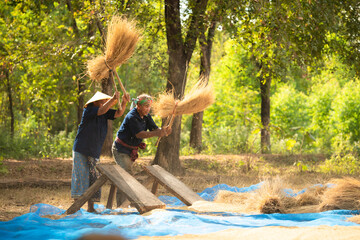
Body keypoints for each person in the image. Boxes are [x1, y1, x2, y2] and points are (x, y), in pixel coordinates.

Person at [71, 90, 129, 212]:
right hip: (82, 148)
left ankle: (91, 208)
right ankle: (76, 208)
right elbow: (102, 110)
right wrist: (113, 99)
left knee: (94, 179)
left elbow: (119, 113)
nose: (105, 102)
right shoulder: (90, 110)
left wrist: (123, 102)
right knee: (81, 176)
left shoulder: (105, 112)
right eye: (103, 101)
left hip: (94, 150)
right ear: (96, 102)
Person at [112, 94, 172, 207]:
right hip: (120, 149)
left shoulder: (146, 116)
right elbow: (139, 134)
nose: (148, 109)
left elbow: (154, 129)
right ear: (138, 106)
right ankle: (122, 206)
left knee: (126, 176)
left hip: (130, 150)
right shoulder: (132, 117)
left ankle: (127, 204)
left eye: (149, 106)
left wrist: (163, 131)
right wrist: (157, 133)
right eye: (145, 106)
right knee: (126, 176)